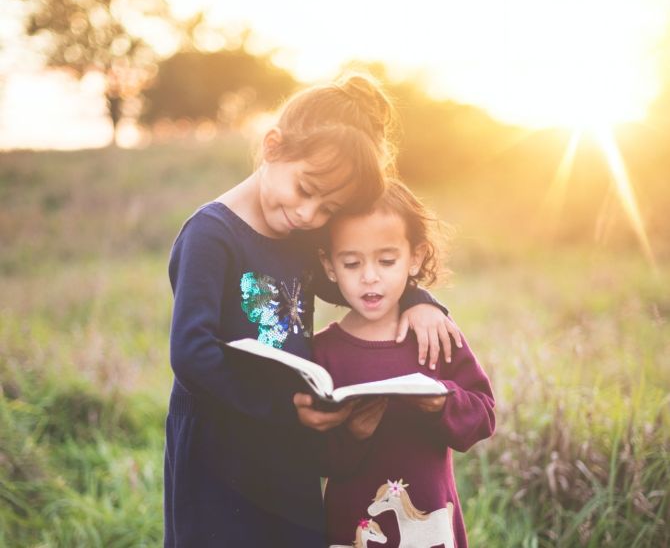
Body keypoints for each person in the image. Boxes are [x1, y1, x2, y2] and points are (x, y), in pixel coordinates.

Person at [164, 74, 462, 547]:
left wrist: (421, 301)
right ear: (273, 146)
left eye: (328, 209)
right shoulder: (211, 236)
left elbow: (361, 287)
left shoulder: (300, 238)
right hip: (220, 450)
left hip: (289, 449)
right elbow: (191, 353)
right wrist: (285, 409)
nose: (309, 215)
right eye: (306, 189)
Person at [311, 178, 495, 548]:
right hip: (352, 526)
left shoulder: (435, 334)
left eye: (387, 260)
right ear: (329, 265)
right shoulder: (322, 353)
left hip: (428, 523)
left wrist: (443, 402)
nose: (369, 276)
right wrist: (352, 435)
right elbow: (313, 456)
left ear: (416, 258)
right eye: (351, 262)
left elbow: (484, 415)